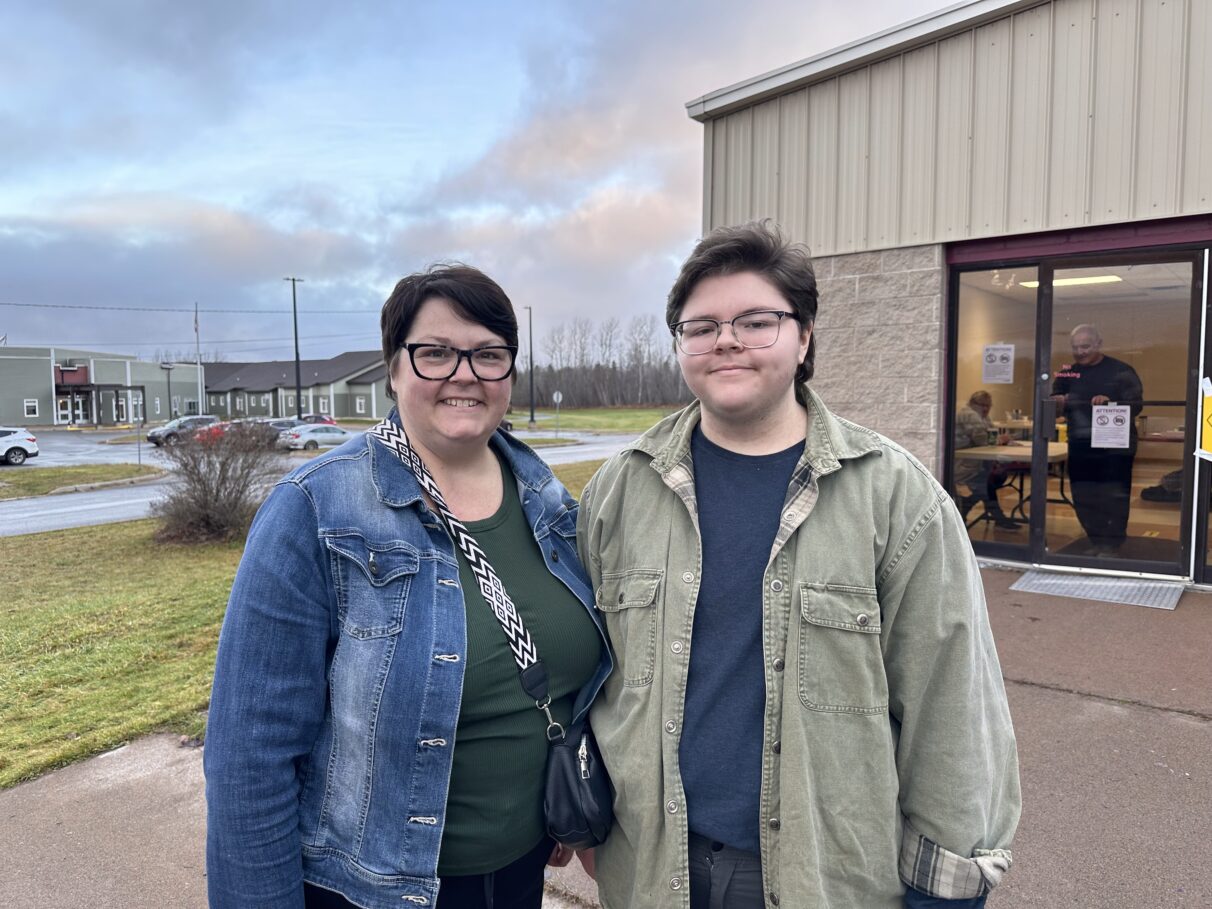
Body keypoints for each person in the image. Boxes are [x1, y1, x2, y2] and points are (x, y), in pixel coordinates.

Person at [578, 222, 1020, 909]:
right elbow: (587, 672)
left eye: (756, 321)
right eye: (702, 327)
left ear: (804, 335)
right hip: (649, 867)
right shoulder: (619, 490)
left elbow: (952, 703)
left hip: (824, 875)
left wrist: (948, 884)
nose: (725, 340)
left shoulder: (896, 498)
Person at [205, 264, 611, 909]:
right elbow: (249, 759)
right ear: (393, 369)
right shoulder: (314, 508)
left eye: (488, 355)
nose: (464, 374)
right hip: (374, 888)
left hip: (519, 868)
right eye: (435, 354)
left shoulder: (548, 503)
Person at [1050, 324, 1143, 555]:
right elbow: (1052, 407)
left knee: (1113, 495)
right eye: (1075, 347)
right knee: (1083, 493)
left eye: (1085, 346)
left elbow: (1136, 405)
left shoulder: (1121, 371)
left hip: (1115, 446)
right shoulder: (1067, 374)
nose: (1080, 351)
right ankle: (1095, 539)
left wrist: (1110, 402)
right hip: (1080, 443)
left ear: (1099, 344)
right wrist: (1058, 402)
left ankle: (1112, 543)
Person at [954, 390, 1019, 530]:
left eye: (988, 405)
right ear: (973, 404)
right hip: (960, 463)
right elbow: (982, 440)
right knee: (988, 481)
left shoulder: (982, 416)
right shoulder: (969, 415)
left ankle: (964, 512)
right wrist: (1001, 439)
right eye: (982, 405)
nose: (985, 408)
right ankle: (996, 517)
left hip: (973, 461)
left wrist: (999, 440)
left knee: (990, 481)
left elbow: (990, 437)